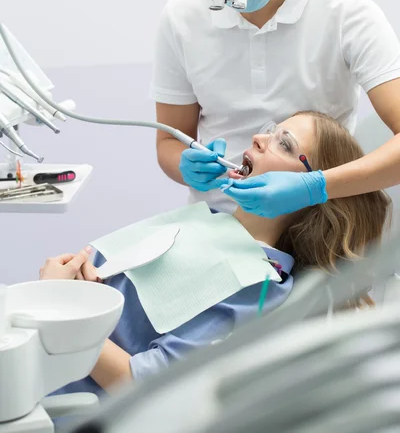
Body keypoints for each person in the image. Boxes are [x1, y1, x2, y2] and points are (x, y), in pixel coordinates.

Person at [40, 111, 390, 398]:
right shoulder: (205, 222)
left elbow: (147, 386)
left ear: (309, 189)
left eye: (284, 144)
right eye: (271, 130)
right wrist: (74, 281)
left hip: (47, 394)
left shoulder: (261, 285)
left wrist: (60, 304)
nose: (259, 138)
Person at [151, 0, 400, 217]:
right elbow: (168, 142)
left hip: (318, 221)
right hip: (218, 223)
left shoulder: (345, 12)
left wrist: (315, 188)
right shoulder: (181, 19)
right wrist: (185, 166)